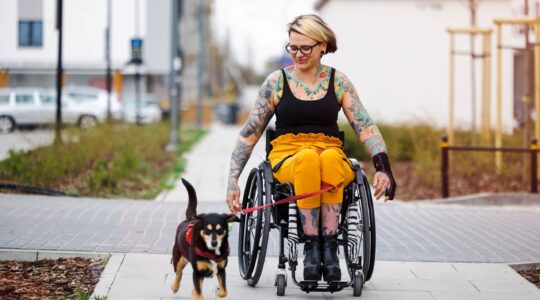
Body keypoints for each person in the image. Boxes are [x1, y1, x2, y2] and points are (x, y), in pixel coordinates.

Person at [226, 14, 396, 282]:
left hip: (329, 151)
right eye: (293, 47)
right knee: (307, 157)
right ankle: (311, 247)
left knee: (328, 157)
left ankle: (328, 250)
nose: (299, 54)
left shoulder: (338, 82)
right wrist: (233, 181)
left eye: (305, 48)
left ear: (323, 46)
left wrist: (383, 168)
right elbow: (250, 133)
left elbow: (365, 126)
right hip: (287, 156)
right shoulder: (277, 82)